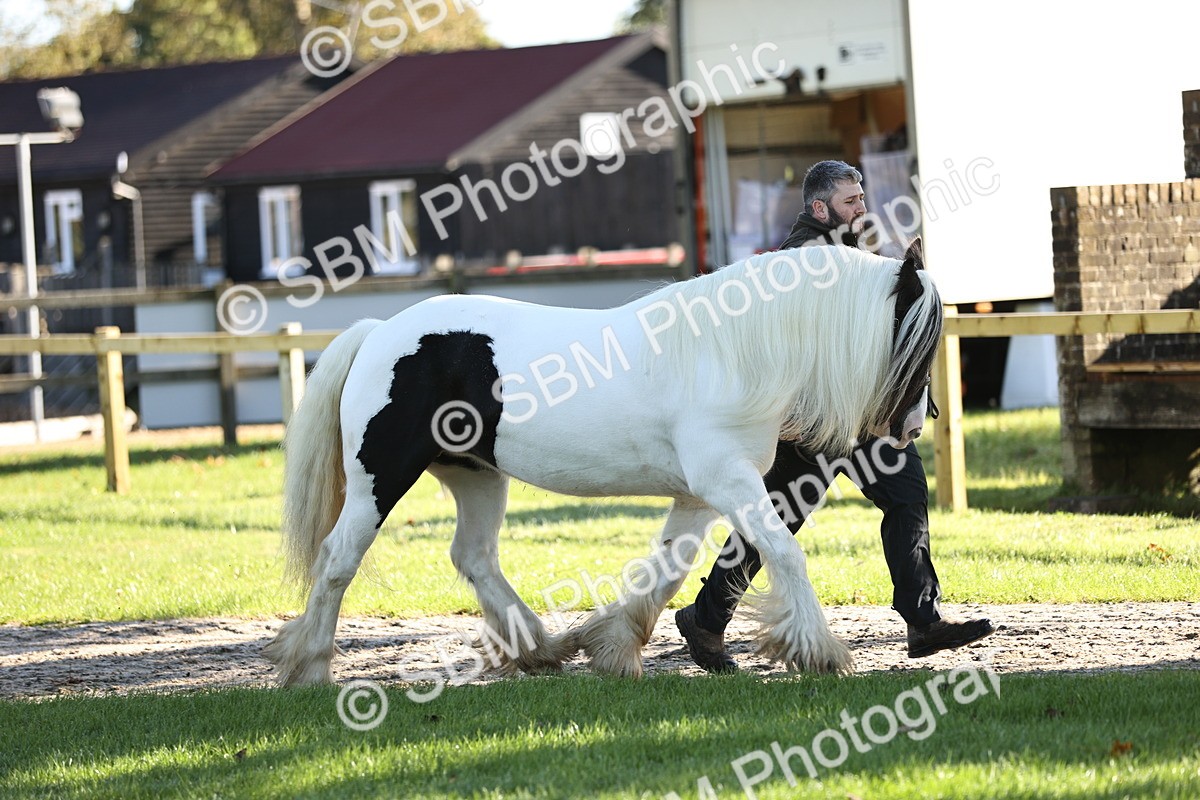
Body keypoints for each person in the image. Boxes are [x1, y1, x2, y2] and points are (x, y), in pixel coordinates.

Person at [674, 160, 996, 672]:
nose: (862, 208)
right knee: (775, 520)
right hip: (811, 425)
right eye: (851, 201)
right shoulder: (797, 264)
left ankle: (922, 620)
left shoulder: (851, 255)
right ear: (819, 207)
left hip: (861, 420)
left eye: (862, 198)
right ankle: (707, 621)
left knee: (906, 494)